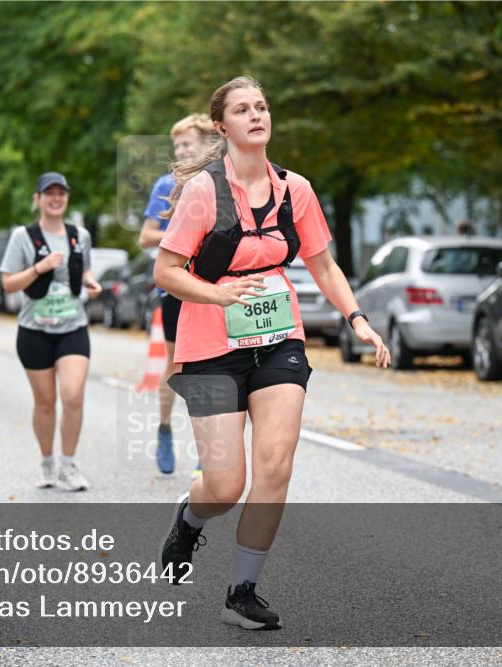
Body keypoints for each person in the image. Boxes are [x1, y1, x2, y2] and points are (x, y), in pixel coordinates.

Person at [154, 76, 391, 630]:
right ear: (222, 126)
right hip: (210, 344)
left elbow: (322, 264)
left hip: (279, 338)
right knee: (225, 486)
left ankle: (242, 592)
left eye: (261, 106)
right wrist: (216, 293)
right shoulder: (204, 192)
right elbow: (166, 271)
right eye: (242, 109)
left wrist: (357, 318)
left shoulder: (295, 189)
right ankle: (190, 519)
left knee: (276, 465)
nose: (256, 115)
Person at [0, 172, 102, 491]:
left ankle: (68, 465)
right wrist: (38, 268)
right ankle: (47, 461)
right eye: (49, 193)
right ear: (38, 199)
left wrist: (90, 282)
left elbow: (83, 270)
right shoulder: (23, 236)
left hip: (73, 327)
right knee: (45, 402)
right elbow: (8, 283)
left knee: (73, 395)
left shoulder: (79, 235)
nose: (56, 199)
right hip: (34, 330)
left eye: (61, 193)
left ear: (67, 198)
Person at [139, 113, 218, 477]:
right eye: (177, 146)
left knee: (212, 364)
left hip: (212, 285)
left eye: (187, 144)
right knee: (177, 364)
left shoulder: (221, 179)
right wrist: (184, 234)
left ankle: (207, 446)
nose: (181, 151)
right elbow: (146, 236)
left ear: (207, 145)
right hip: (175, 284)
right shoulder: (166, 184)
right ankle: (165, 429)